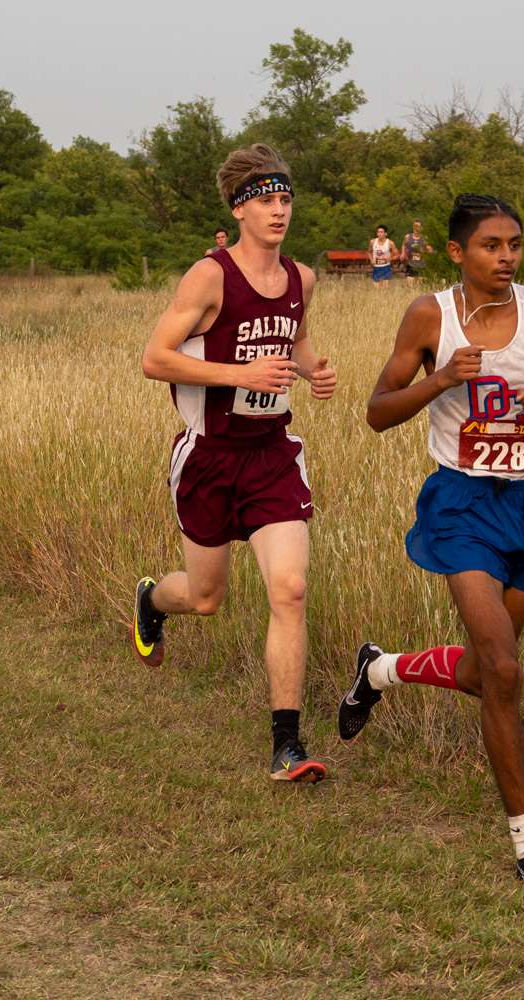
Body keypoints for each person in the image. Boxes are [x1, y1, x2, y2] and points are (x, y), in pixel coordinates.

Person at [338, 194, 524, 893]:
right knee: (506, 672)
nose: (506, 256)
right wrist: (440, 379)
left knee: (488, 674)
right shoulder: (432, 315)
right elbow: (374, 413)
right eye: (490, 245)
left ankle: (380, 670)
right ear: (458, 253)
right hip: (462, 502)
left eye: (514, 243)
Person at [131, 143, 337, 784]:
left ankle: (287, 744)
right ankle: (153, 601)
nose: (279, 211)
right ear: (239, 209)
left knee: (290, 589)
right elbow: (155, 358)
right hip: (209, 458)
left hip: (272, 453)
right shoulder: (210, 276)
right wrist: (238, 372)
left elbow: (294, 337)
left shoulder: (302, 278)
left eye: (285, 199)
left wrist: (312, 369)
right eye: (265, 200)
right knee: (207, 595)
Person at [400, 219, 434, 284]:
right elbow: (404, 245)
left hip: (421, 265)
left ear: (421, 228)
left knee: (420, 286)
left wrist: (430, 251)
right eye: (414, 226)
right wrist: (403, 253)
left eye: (417, 226)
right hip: (411, 264)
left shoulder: (425, 238)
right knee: (410, 286)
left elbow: (429, 248)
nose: (415, 228)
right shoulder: (407, 236)